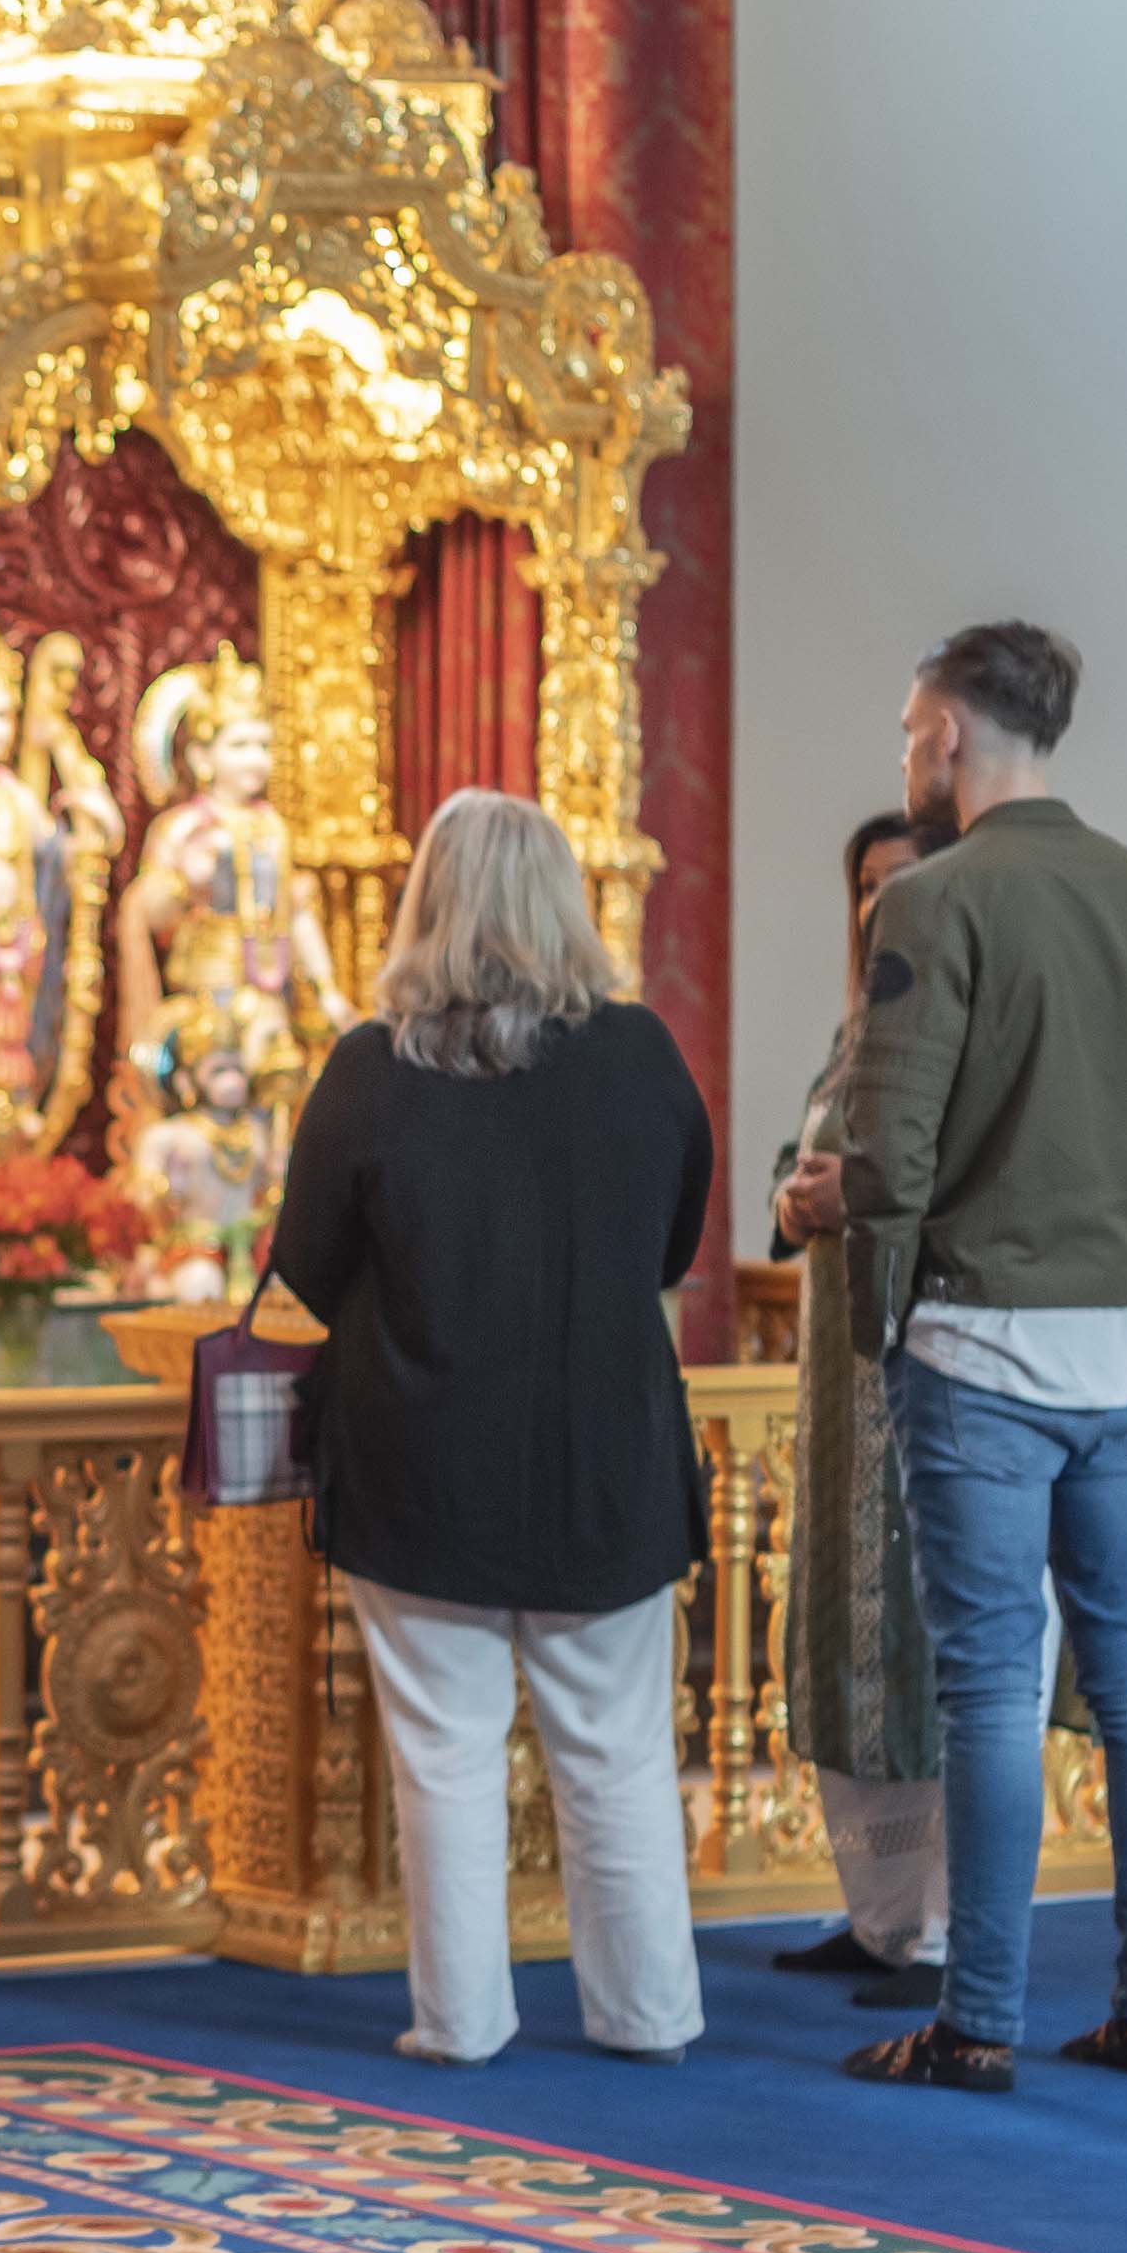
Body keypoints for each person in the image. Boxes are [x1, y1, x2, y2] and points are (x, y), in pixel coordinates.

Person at [833, 620, 1127, 2091]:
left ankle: (979, 2018)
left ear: (947, 735)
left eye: (906, 732)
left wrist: (860, 1216)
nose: (905, 758)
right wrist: (1121, 1243)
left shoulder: (932, 904)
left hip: (984, 1343)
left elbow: (886, 1153)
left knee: (992, 1688)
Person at [260, 789, 715, 2068]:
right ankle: (649, 2014)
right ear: (566, 901)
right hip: (604, 1458)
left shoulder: (372, 1068)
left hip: (420, 1456)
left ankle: (461, 2022)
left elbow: (302, 1265)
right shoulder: (641, 1055)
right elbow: (675, 1239)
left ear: (429, 905)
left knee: (446, 1755)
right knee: (618, 1752)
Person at [764, 810, 945, 2005]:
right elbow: (814, 1155)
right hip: (841, 1393)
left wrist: (855, 1200)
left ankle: (934, 1930)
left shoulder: (957, 1027)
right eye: (865, 887)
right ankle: (878, 1918)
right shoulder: (857, 1030)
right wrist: (795, 1199)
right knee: (846, 1646)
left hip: (923, 1376)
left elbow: (958, 1187)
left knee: (920, 1651)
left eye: (902, 884)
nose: (881, 905)